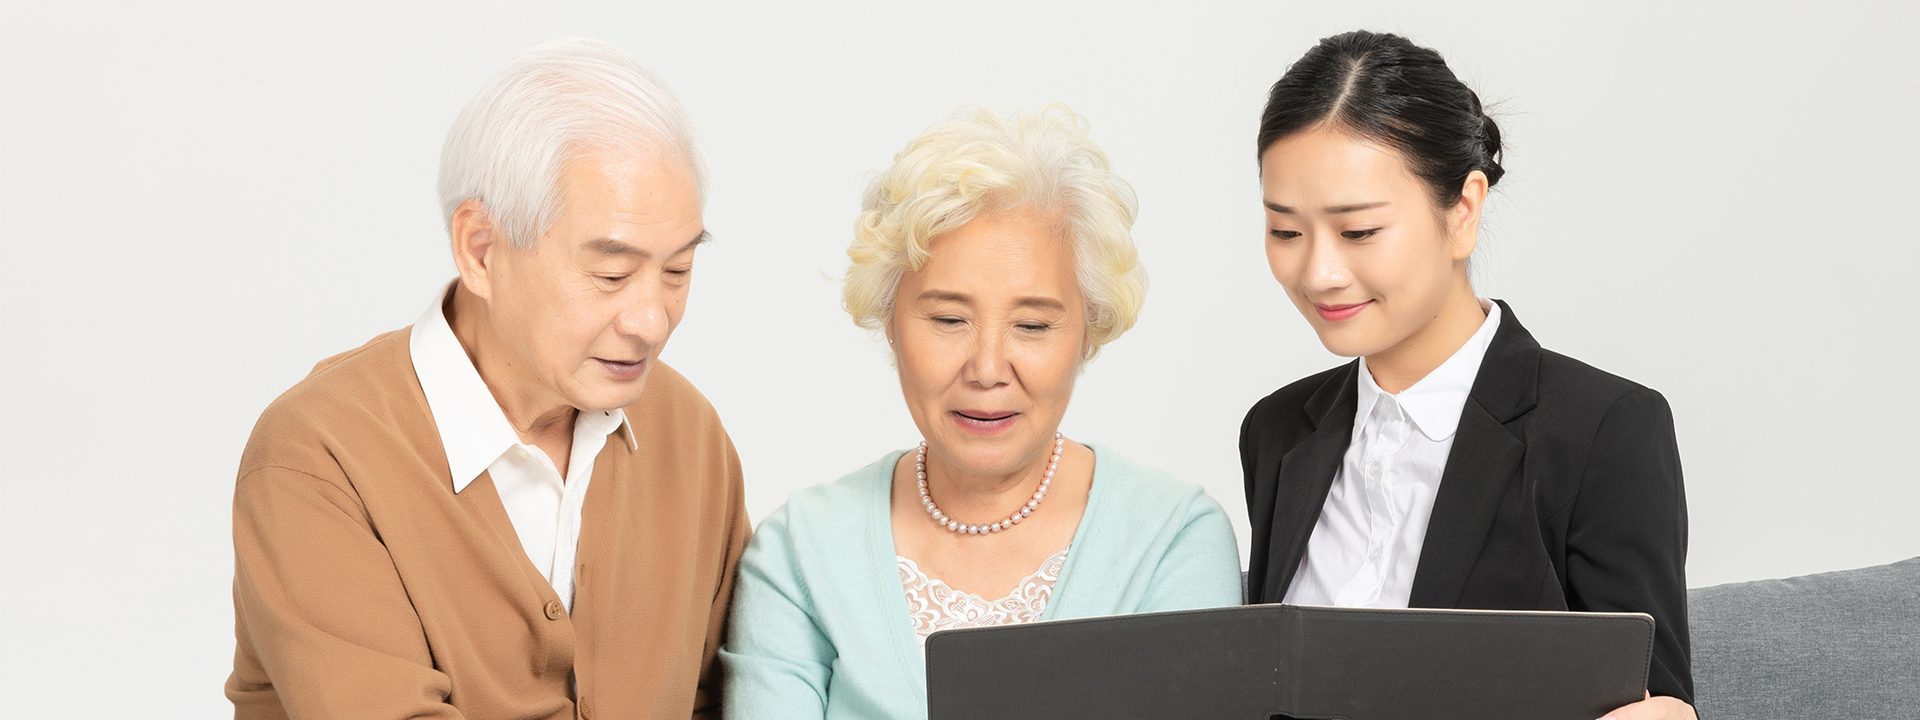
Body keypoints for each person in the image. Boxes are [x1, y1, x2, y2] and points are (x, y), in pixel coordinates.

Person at [225, 39, 749, 719]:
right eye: (612, 274)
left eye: (677, 270)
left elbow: (728, 697)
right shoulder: (319, 455)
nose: (652, 321)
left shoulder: (689, 434)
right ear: (480, 249)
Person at [721, 106, 1243, 719]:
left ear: (1088, 332)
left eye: (1032, 325)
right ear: (889, 322)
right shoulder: (800, 551)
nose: (988, 368)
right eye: (949, 319)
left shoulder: (1173, 540)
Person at [1240, 31, 1695, 720]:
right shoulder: (1277, 432)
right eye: (1285, 232)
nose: (1319, 273)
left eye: (1358, 231)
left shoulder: (1604, 431)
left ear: (1463, 211)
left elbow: (1656, 703)